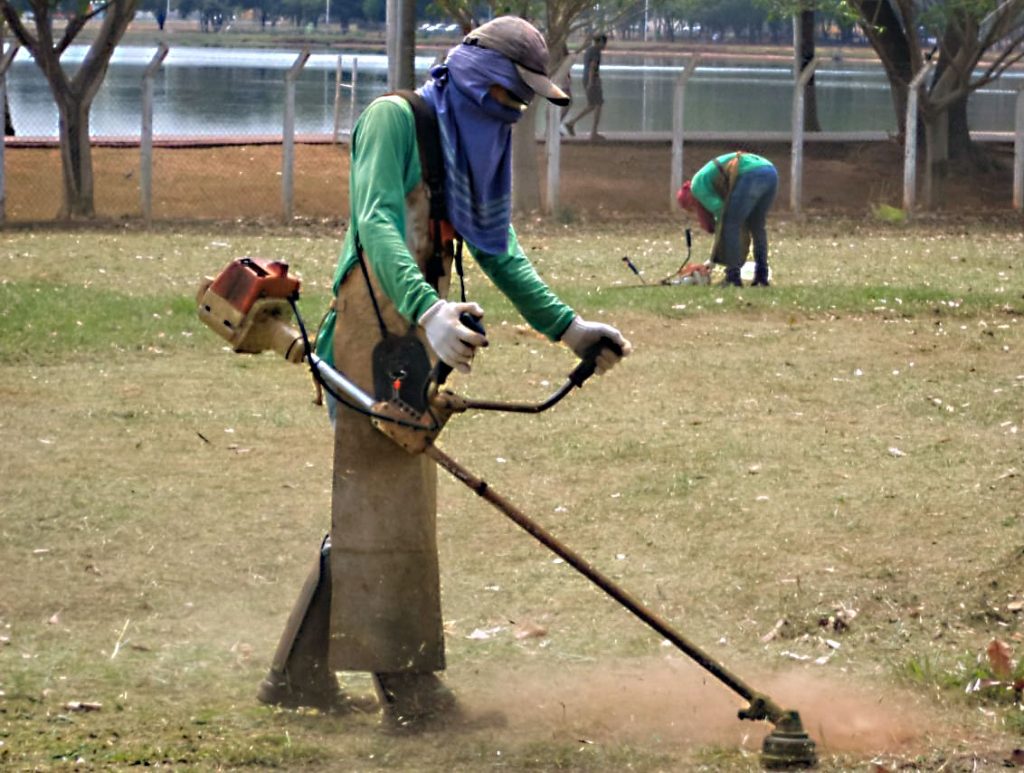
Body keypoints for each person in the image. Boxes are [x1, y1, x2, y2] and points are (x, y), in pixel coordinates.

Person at [256, 16, 632, 729]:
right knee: (384, 510)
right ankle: (414, 698)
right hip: (368, 336)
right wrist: (428, 309)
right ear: (470, 74)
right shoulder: (392, 121)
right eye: (504, 96)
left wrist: (568, 327)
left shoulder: (470, 156)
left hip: (413, 341)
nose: (510, 113)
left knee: (375, 507)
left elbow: (499, 251)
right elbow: (376, 222)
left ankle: (294, 677)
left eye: (521, 105)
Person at [676, 152, 778, 287]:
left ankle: (733, 277)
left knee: (731, 224)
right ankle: (761, 276)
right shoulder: (704, 181)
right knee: (757, 226)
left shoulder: (697, 188)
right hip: (770, 171)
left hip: (750, 174)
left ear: (691, 201)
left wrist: (712, 260)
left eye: (692, 209)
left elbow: (722, 216)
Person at [561, 33, 607, 140]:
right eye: (604, 43)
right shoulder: (596, 51)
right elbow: (592, 66)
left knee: (593, 105)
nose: (605, 45)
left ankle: (572, 123)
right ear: (600, 42)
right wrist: (592, 82)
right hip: (592, 81)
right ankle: (592, 133)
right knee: (597, 105)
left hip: (587, 79)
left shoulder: (589, 50)